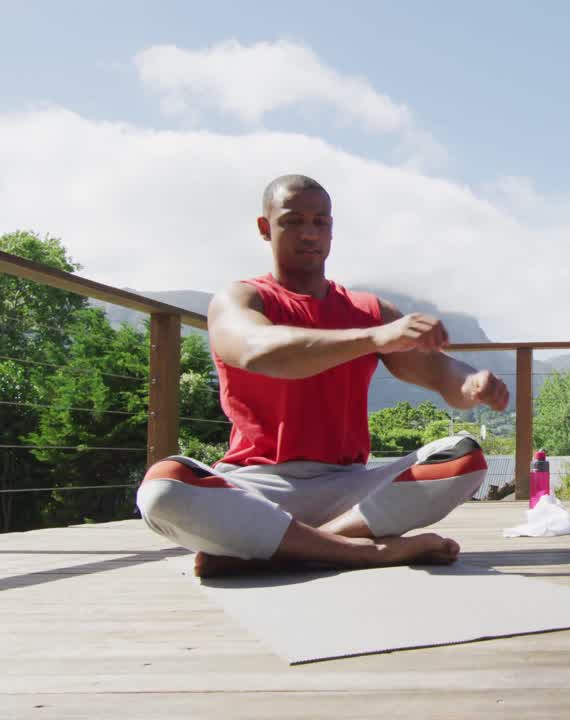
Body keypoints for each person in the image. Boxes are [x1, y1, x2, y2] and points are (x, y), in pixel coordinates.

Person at [136, 174, 509, 577]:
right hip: (256, 486)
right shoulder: (240, 298)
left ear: (332, 229)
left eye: (320, 222)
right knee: (163, 486)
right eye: (293, 221)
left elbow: (443, 375)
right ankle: (362, 552)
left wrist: (472, 384)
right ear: (265, 227)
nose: (310, 233)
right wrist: (373, 337)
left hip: (347, 491)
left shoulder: (369, 310)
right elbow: (260, 351)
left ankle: (279, 547)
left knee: (464, 457)